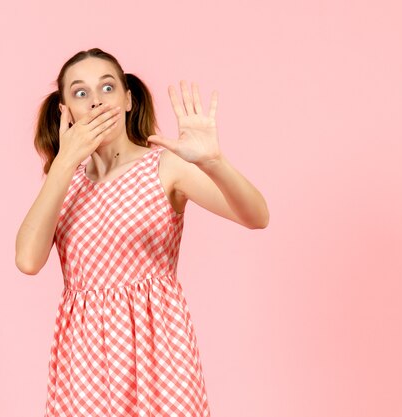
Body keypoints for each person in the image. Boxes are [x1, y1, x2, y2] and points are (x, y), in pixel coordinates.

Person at [16, 47, 269, 417]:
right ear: (65, 110)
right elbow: (27, 260)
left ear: (128, 98)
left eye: (107, 87)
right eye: (81, 93)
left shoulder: (164, 167)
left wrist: (215, 162)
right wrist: (65, 161)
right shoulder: (64, 185)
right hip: (85, 361)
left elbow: (256, 216)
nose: (97, 102)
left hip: (159, 353)